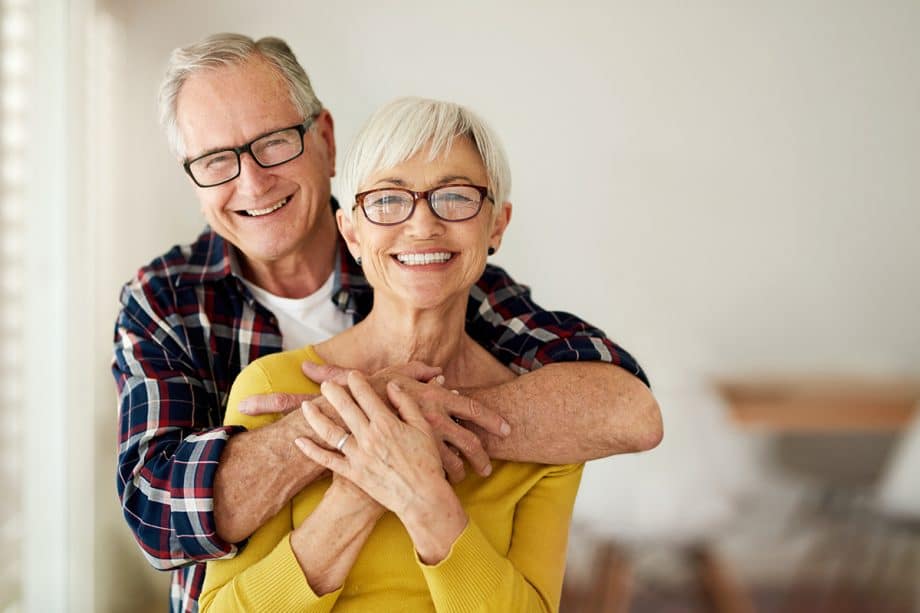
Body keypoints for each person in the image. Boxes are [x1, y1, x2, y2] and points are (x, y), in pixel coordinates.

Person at [113, 33, 661, 613]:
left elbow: (624, 406)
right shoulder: (166, 301)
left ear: (323, 139)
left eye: (273, 143)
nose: (252, 183)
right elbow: (158, 514)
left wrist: (405, 415)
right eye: (217, 160)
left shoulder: (445, 278)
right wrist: (351, 431)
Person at [200, 96, 585, 612]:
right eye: (387, 200)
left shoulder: (547, 427)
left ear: (496, 225)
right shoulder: (270, 388)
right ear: (352, 233)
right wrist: (362, 487)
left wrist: (420, 494)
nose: (423, 225)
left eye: (454, 197)